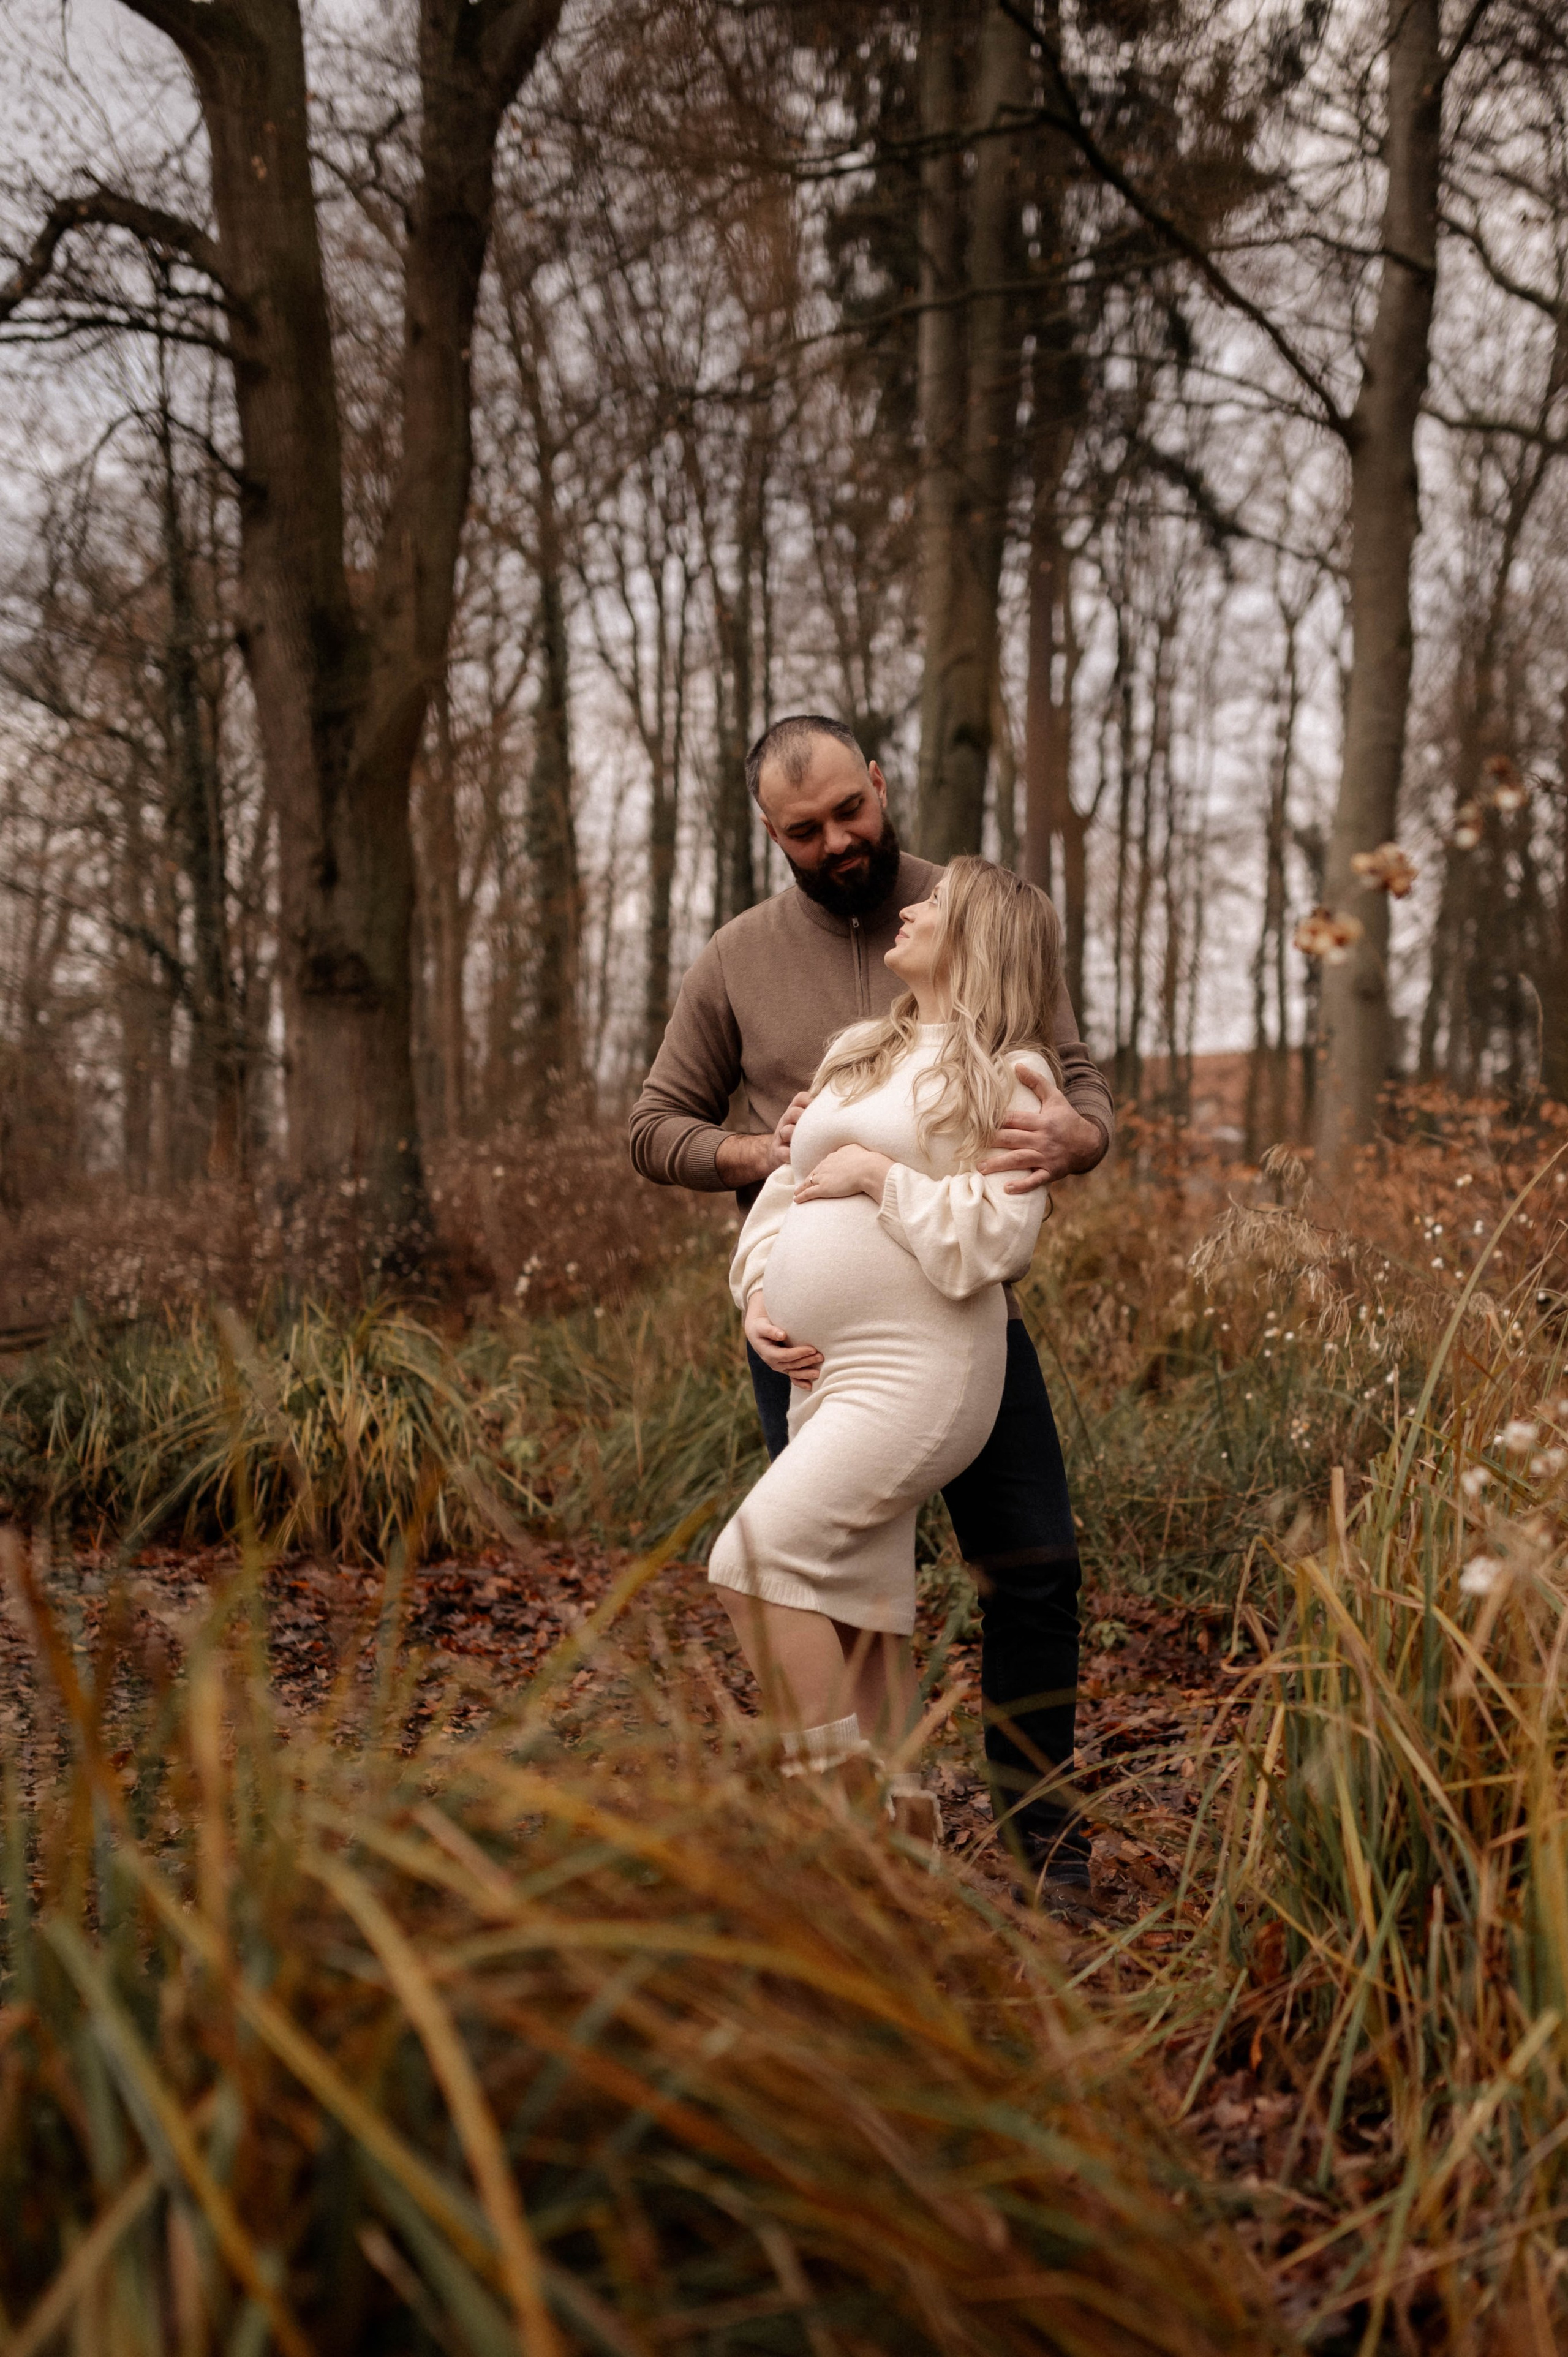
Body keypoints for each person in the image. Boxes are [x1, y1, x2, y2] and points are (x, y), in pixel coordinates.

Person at [629, 716, 1114, 1898]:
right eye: (807, 829)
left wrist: (1078, 1135)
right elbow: (655, 1129)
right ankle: (887, 1845)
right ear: (771, 832)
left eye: (852, 811)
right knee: (843, 1586)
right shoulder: (740, 957)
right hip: (802, 1345)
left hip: (951, 1332)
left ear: (880, 785)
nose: (840, 841)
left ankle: (1041, 1839)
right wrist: (760, 1182)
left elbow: (1069, 1081)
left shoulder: (971, 910)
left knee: (1033, 1568)